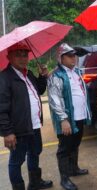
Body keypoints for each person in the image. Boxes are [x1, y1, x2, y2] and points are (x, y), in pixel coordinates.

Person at [0, 42, 53, 190]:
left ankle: (35, 183)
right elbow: (1, 108)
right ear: (8, 57)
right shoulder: (5, 78)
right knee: (16, 161)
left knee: (35, 152)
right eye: (18, 55)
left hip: (34, 125)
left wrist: (42, 77)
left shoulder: (28, 74)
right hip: (18, 129)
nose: (23, 58)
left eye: (25, 55)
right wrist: (7, 132)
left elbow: (39, 91)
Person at [47, 43, 91, 190]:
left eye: (75, 55)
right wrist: (63, 119)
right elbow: (54, 99)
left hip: (79, 117)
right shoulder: (56, 75)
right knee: (64, 148)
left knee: (75, 144)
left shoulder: (76, 72)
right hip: (67, 119)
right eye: (70, 55)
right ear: (61, 58)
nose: (74, 58)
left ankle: (74, 169)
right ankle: (64, 179)